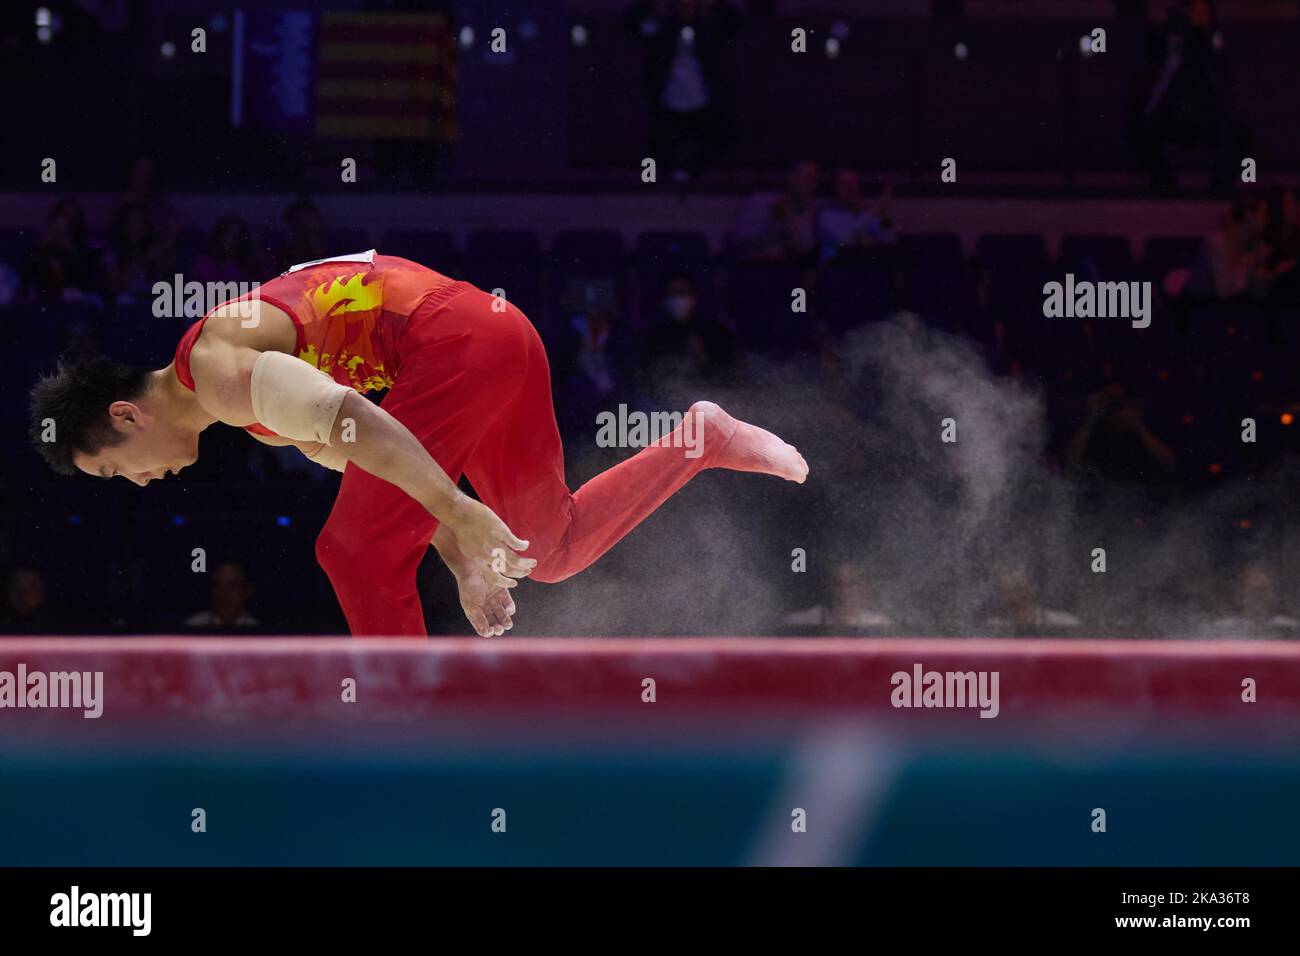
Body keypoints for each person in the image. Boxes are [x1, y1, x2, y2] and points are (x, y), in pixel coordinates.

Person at [29, 250, 807, 638]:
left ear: (127, 418)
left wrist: (459, 517)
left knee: (350, 550)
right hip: (498, 341)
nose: (137, 484)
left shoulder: (217, 368)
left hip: (455, 339)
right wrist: (465, 555)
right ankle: (700, 440)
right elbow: (385, 468)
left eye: (113, 470)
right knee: (552, 548)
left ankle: (414, 725)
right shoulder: (249, 410)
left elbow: (362, 427)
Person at [728, 160, 821, 264]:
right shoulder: (759, 201)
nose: (810, 185)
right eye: (807, 178)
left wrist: (789, 220)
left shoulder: (813, 212)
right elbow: (737, 240)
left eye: (814, 180)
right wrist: (771, 222)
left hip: (790, 272)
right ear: (791, 177)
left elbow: (805, 248)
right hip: (754, 269)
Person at [816, 170, 895, 264]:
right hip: (834, 271)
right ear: (836, 189)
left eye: (853, 183)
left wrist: (886, 214)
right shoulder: (826, 215)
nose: (850, 188)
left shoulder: (865, 214)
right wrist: (877, 207)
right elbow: (845, 242)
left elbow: (889, 239)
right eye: (844, 184)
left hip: (866, 269)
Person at [184, 560, 261, 629]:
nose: (224, 594)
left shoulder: (260, 633)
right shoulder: (193, 627)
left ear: (248, 590)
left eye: (233, 586)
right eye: (217, 585)